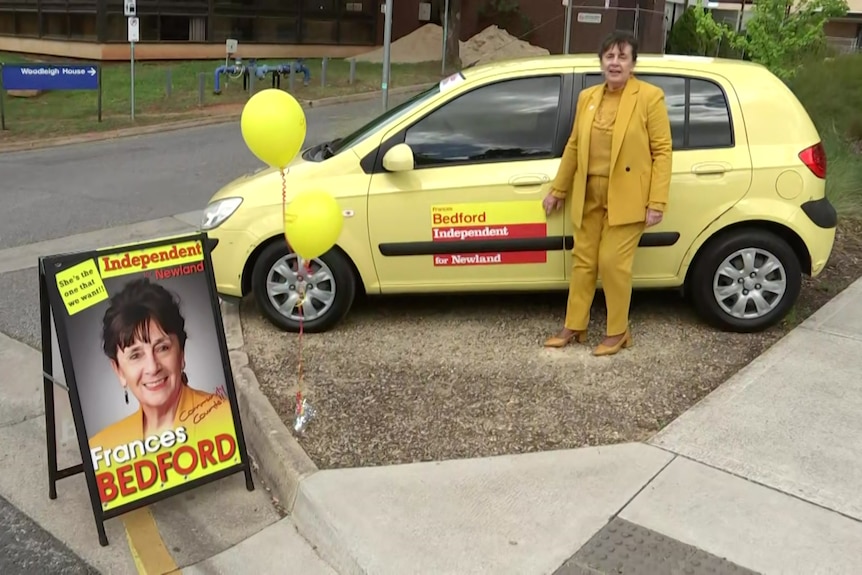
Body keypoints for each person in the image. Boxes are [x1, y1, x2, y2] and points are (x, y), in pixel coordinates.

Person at [543, 31, 673, 356]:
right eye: (609, 57)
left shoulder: (649, 97)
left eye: (622, 57)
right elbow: (573, 145)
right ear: (601, 62)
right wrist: (558, 188)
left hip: (627, 196)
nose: (615, 63)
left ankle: (618, 331)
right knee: (583, 262)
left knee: (613, 263)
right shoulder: (587, 97)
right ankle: (574, 325)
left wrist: (656, 201)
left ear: (633, 64)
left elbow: (663, 151)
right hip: (588, 193)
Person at [89, 277, 234, 449]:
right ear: (119, 371)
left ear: (181, 353)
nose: (152, 367)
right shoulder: (103, 448)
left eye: (162, 348)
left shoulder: (224, 419)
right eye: (136, 355)